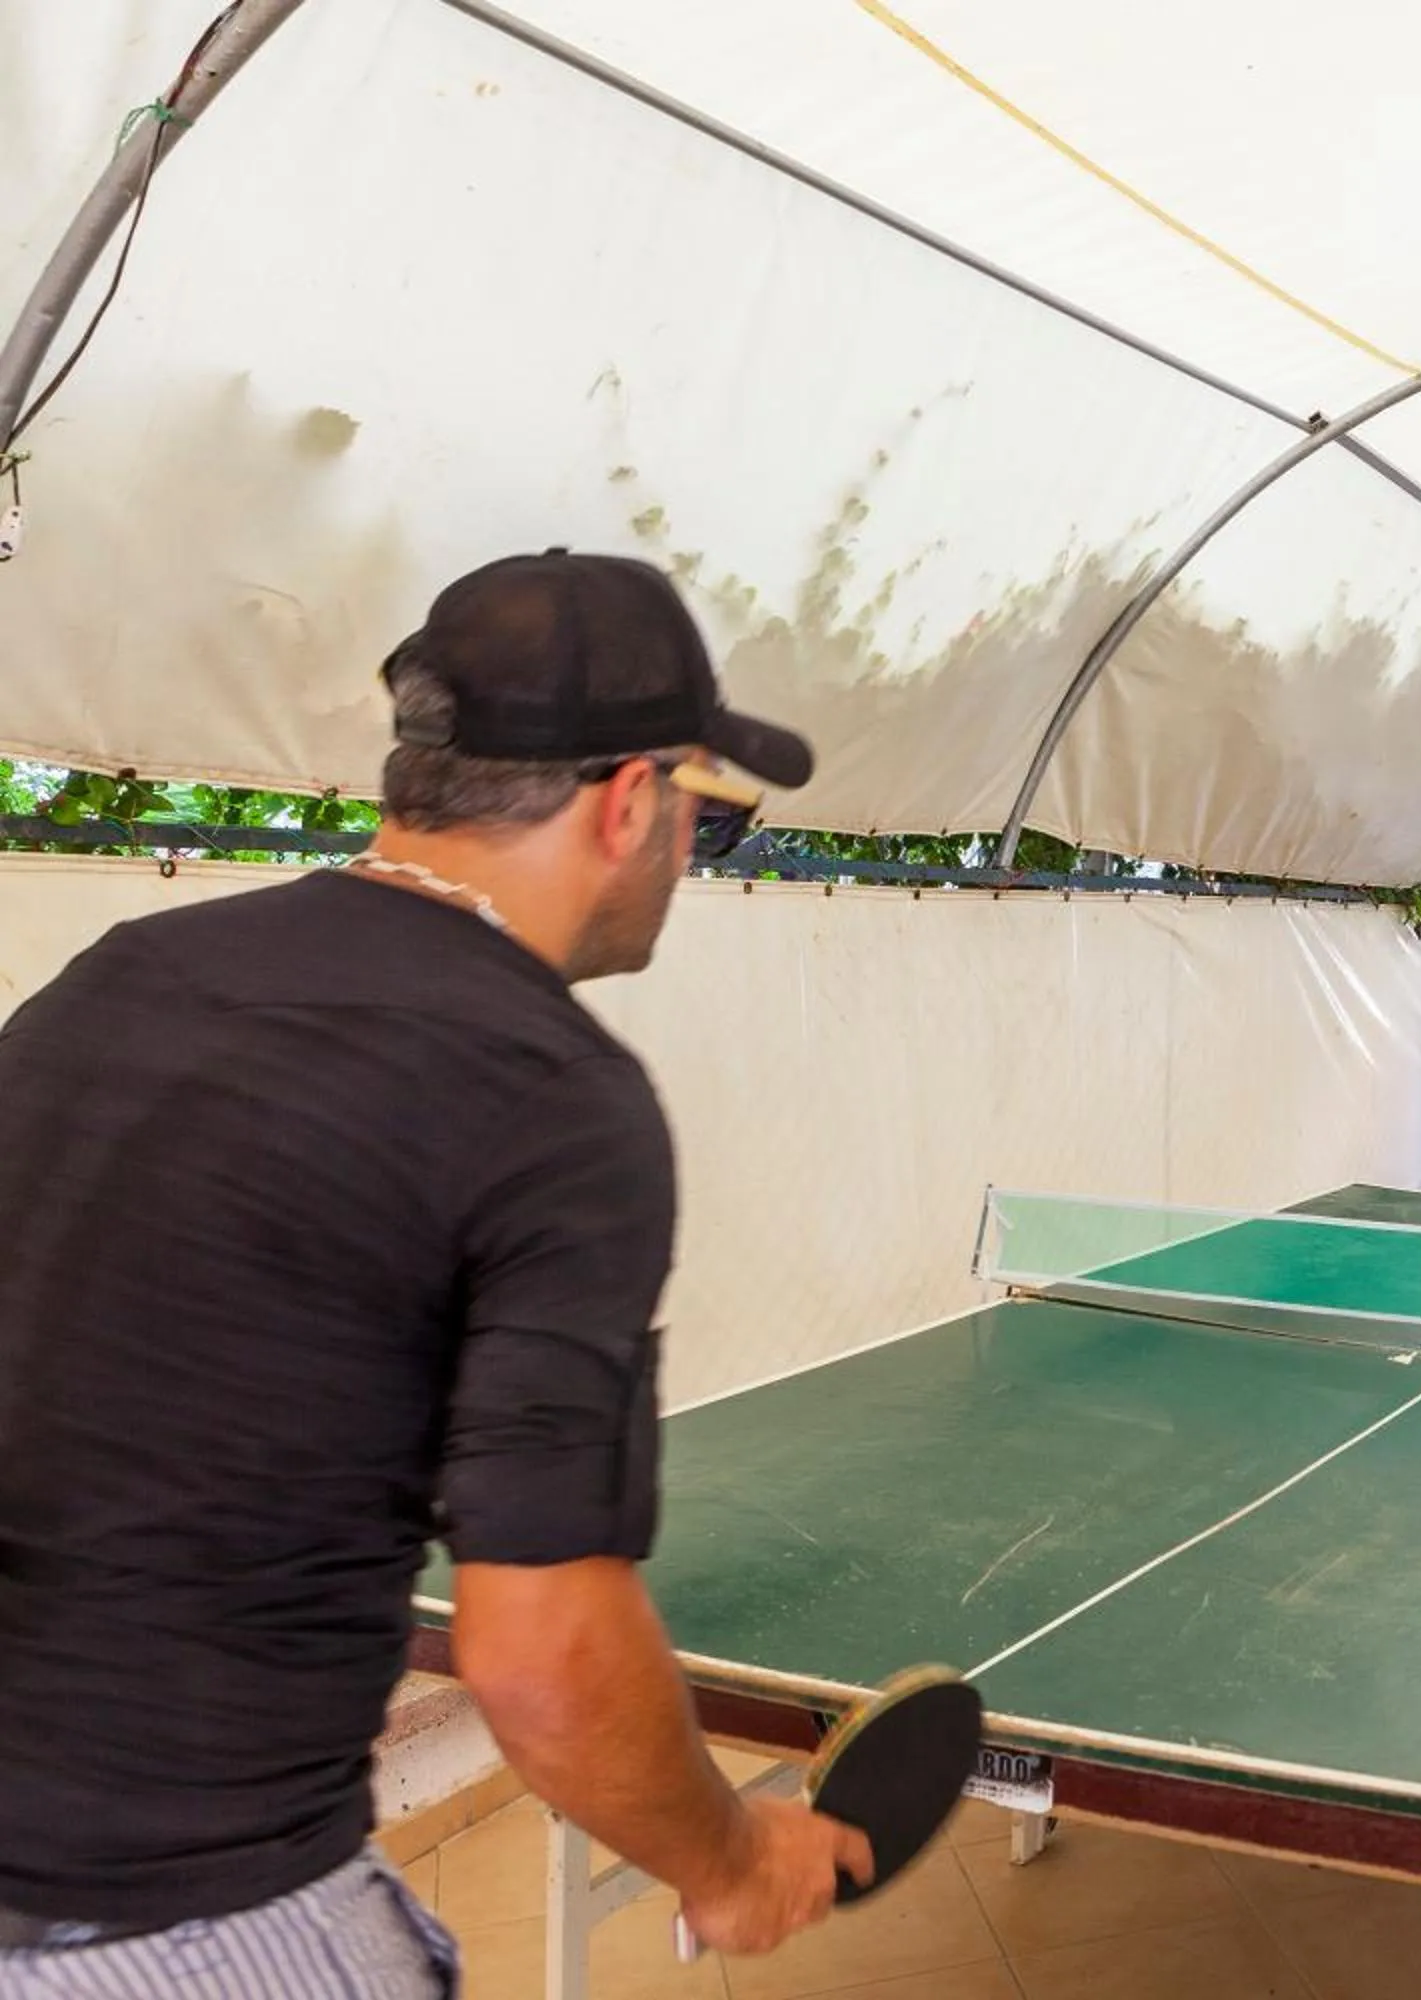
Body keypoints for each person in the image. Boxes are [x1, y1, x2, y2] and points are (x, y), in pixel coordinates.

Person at [0, 551, 869, 1993]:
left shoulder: (123, 974)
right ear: (631, 802)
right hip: (180, 1918)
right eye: (704, 824)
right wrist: (732, 1859)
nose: (682, 864)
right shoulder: (552, 1095)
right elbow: (536, 1647)